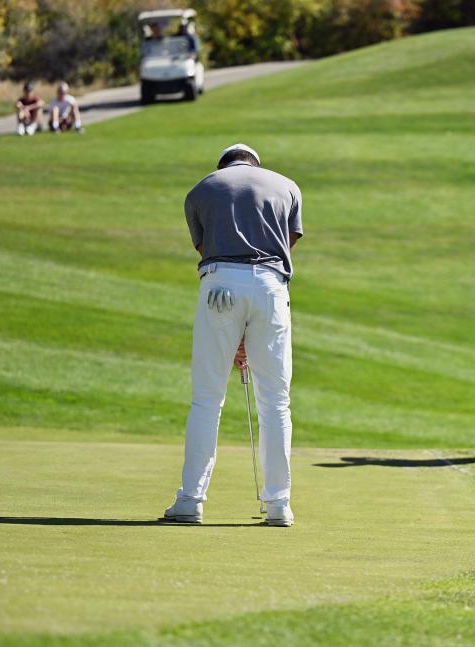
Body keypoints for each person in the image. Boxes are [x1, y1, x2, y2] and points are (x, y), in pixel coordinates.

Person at [162, 143, 303, 527]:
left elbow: (206, 248)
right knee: (275, 402)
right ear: (255, 163)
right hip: (272, 287)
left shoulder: (201, 189)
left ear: (222, 165)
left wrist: (236, 331)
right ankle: (278, 505)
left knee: (207, 398)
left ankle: (190, 500)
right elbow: (286, 246)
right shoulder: (287, 186)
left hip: (218, 283)